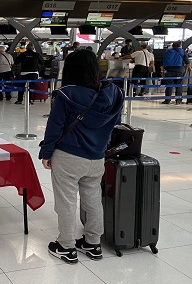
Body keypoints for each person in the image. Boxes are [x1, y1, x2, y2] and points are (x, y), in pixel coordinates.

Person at [40, 49, 124, 264]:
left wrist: (47, 152)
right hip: (97, 157)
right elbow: (115, 124)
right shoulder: (113, 92)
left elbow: (55, 126)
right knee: (93, 200)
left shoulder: (66, 94)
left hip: (69, 156)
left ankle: (66, 246)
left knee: (66, 202)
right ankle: (93, 243)